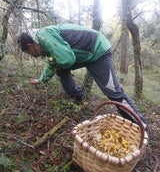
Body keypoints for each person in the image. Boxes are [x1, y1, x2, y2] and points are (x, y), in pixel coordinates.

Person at [17, 23, 147, 128]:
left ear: (31, 45)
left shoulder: (43, 36)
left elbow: (66, 59)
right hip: (85, 56)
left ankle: (141, 125)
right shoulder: (43, 44)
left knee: (113, 92)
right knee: (60, 69)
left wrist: (55, 64)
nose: (32, 56)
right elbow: (53, 62)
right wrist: (41, 80)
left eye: (29, 53)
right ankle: (79, 97)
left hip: (98, 51)